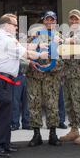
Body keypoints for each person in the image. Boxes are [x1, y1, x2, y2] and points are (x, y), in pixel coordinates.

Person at [0, 13, 47, 158]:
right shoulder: (4, 38)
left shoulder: (5, 38)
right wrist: (40, 55)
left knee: (6, 115)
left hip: (4, 81)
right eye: (14, 25)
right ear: (6, 25)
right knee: (2, 116)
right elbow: (25, 52)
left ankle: (5, 143)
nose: (16, 28)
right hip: (0, 81)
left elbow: (20, 50)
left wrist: (37, 46)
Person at [27, 11, 64, 148]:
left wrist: (51, 66)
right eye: (47, 20)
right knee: (34, 104)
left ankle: (53, 134)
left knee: (52, 104)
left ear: (55, 22)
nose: (49, 22)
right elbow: (27, 53)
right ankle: (36, 134)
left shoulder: (60, 38)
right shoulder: (34, 36)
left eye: (52, 20)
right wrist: (32, 62)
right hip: (34, 76)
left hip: (51, 77)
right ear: (43, 21)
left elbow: (64, 59)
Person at [60, 9, 80, 143]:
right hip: (67, 75)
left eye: (76, 19)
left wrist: (62, 40)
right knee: (69, 104)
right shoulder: (67, 34)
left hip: (78, 76)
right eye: (72, 18)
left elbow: (74, 41)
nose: (74, 21)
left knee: (79, 103)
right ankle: (74, 129)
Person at [11, 60, 30, 131]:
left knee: (27, 101)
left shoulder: (29, 50)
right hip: (17, 76)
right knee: (15, 101)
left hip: (28, 76)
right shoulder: (14, 49)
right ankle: (15, 123)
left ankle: (26, 123)